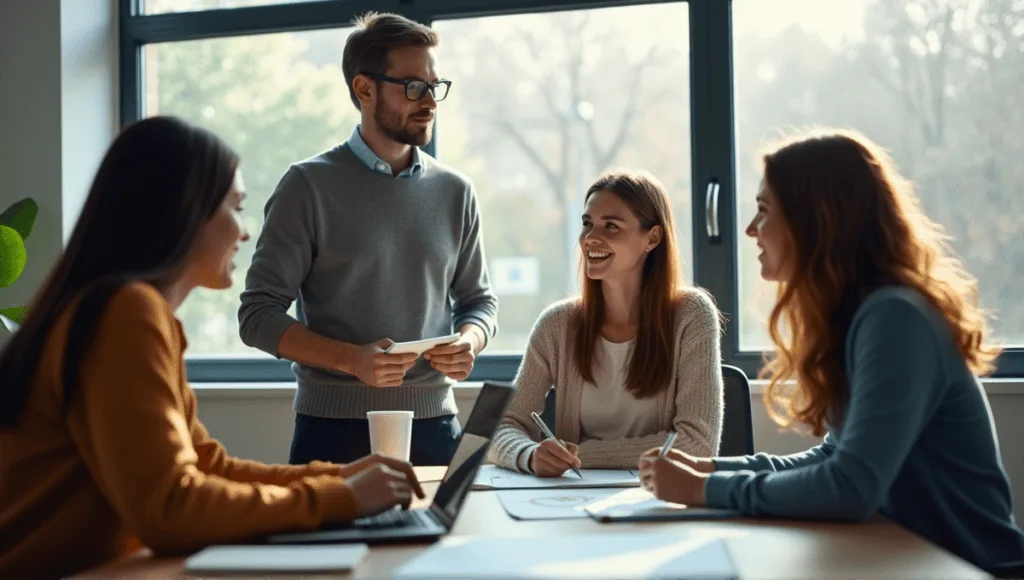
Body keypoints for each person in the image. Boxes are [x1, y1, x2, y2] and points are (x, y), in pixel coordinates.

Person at [0, 116, 424, 580]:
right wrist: (343, 498)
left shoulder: (125, 309)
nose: (244, 232)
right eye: (236, 207)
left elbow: (207, 467)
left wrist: (341, 478)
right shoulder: (126, 314)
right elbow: (171, 507)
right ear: (186, 210)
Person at [638, 128, 1024, 573]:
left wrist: (702, 491)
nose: (749, 229)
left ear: (815, 221)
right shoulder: (862, 316)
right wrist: (711, 470)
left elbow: (851, 486)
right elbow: (833, 456)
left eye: (763, 211)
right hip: (907, 561)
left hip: (968, 569)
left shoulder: (896, 319)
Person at [238, 11, 498, 467]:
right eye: (414, 87)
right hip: (333, 434)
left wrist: (470, 341)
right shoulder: (307, 187)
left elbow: (480, 302)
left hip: (436, 428)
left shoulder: (457, 191)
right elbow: (257, 316)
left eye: (435, 87)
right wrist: (351, 360)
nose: (431, 101)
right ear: (364, 89)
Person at [488, 169, 724, 475]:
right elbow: (502, 427)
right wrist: (530, 454)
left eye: (611, 226)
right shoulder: (557, 325)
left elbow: (697, 444)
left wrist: (581, 455)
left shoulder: (691, 315)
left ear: (652, 238)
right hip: (572, 498)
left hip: (658, 498)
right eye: (588, 224)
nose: (591, 239)